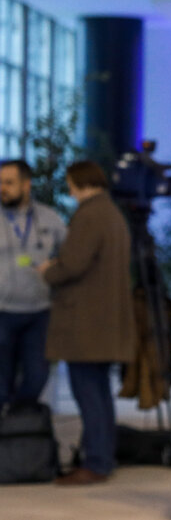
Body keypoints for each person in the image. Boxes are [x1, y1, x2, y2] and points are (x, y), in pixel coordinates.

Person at [38, 160, 136, 485]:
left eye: (69, 182)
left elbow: (73, 264)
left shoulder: (89, 215)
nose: (68, 189)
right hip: (104, 322)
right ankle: (102, 457)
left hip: (85, 324)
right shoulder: (111, 213)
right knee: (99, 394)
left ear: (79, 181)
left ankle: (96, 462)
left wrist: (48, 271)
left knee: (89, 395)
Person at [0, 159, 67, 407]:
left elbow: (71, 255)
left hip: (39, 312)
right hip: (3, 312)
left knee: (37, 376)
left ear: (26, 185)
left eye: (9, 183)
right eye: (0, 183)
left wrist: (56, 266)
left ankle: (20, 424)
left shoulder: (48, 218)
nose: (2, 188)